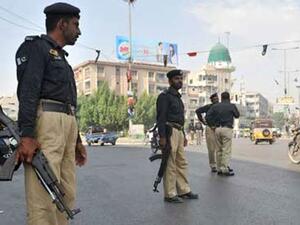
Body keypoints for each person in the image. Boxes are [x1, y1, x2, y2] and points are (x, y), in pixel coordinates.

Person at [15, 3, 87, 225]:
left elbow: (68, 102)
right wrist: (26, 135)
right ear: (61, 24)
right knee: (42, 195)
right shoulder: (37, 48)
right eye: (75, 25)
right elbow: (28, 91)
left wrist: (76, 140)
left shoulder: (62, 58)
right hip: (46, 122)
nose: (79, 31)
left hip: (66, 124)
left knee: (66, 192)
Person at [156, 69, 198, 203]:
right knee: (170, 163)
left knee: (182, 162)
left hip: (179, 132)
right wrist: (162, 137)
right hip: (169, 131)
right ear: (169, 81)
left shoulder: (178, 98)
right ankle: (170, 194)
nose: (179, 81)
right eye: (176, 79)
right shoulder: (164, 96)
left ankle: (183, 190)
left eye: (181, 78)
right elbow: (161, 118)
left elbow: (180, 119)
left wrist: (184, 135)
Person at [206, 92, 240, 176]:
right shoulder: (231, 106)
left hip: (217, 129)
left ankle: (219, 168)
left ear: (221, 98)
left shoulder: (215, 106)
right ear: (229, 98)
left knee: (218, 149)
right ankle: (224, 168)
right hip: (227, 129)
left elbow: (207, 116)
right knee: (226, 150)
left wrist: (212, 125)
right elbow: (237, 115)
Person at [196, 93, 219, 172]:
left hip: (219, 129)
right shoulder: (209, 107)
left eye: (217, 99)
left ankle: (222, 165)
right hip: (210, 128)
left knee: (221, 148)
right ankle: (213, 165)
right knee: (211, 149)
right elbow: (198, 111)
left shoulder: (221, 106)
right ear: (212, 100)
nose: (216, 100)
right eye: (215, 99)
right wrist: (203, 121)